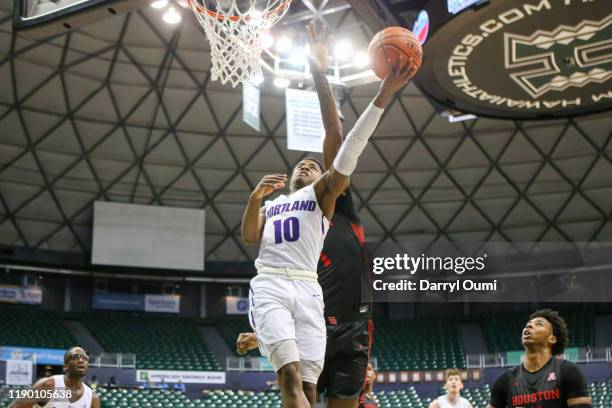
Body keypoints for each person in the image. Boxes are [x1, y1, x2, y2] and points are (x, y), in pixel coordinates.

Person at [241, 24, 412, 408]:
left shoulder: (334, 197)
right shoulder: (277, 208)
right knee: (293, 383)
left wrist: (320, 70)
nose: (308, 165)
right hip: (301, 302)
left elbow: (338, 134)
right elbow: (259, 250)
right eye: (301, 164)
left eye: (316, 164)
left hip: (346, 321)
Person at [488, 309, 592, 408]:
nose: (529, 325)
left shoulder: (568, 371)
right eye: (528, 324)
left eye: (539, 324)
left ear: (552, 339)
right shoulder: (506, 379)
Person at [9, 346, 100, 408]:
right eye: (75, 357)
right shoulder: (49, 385)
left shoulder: (92, 397)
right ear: (65, 367)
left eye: (85, 358)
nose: (81, 360)